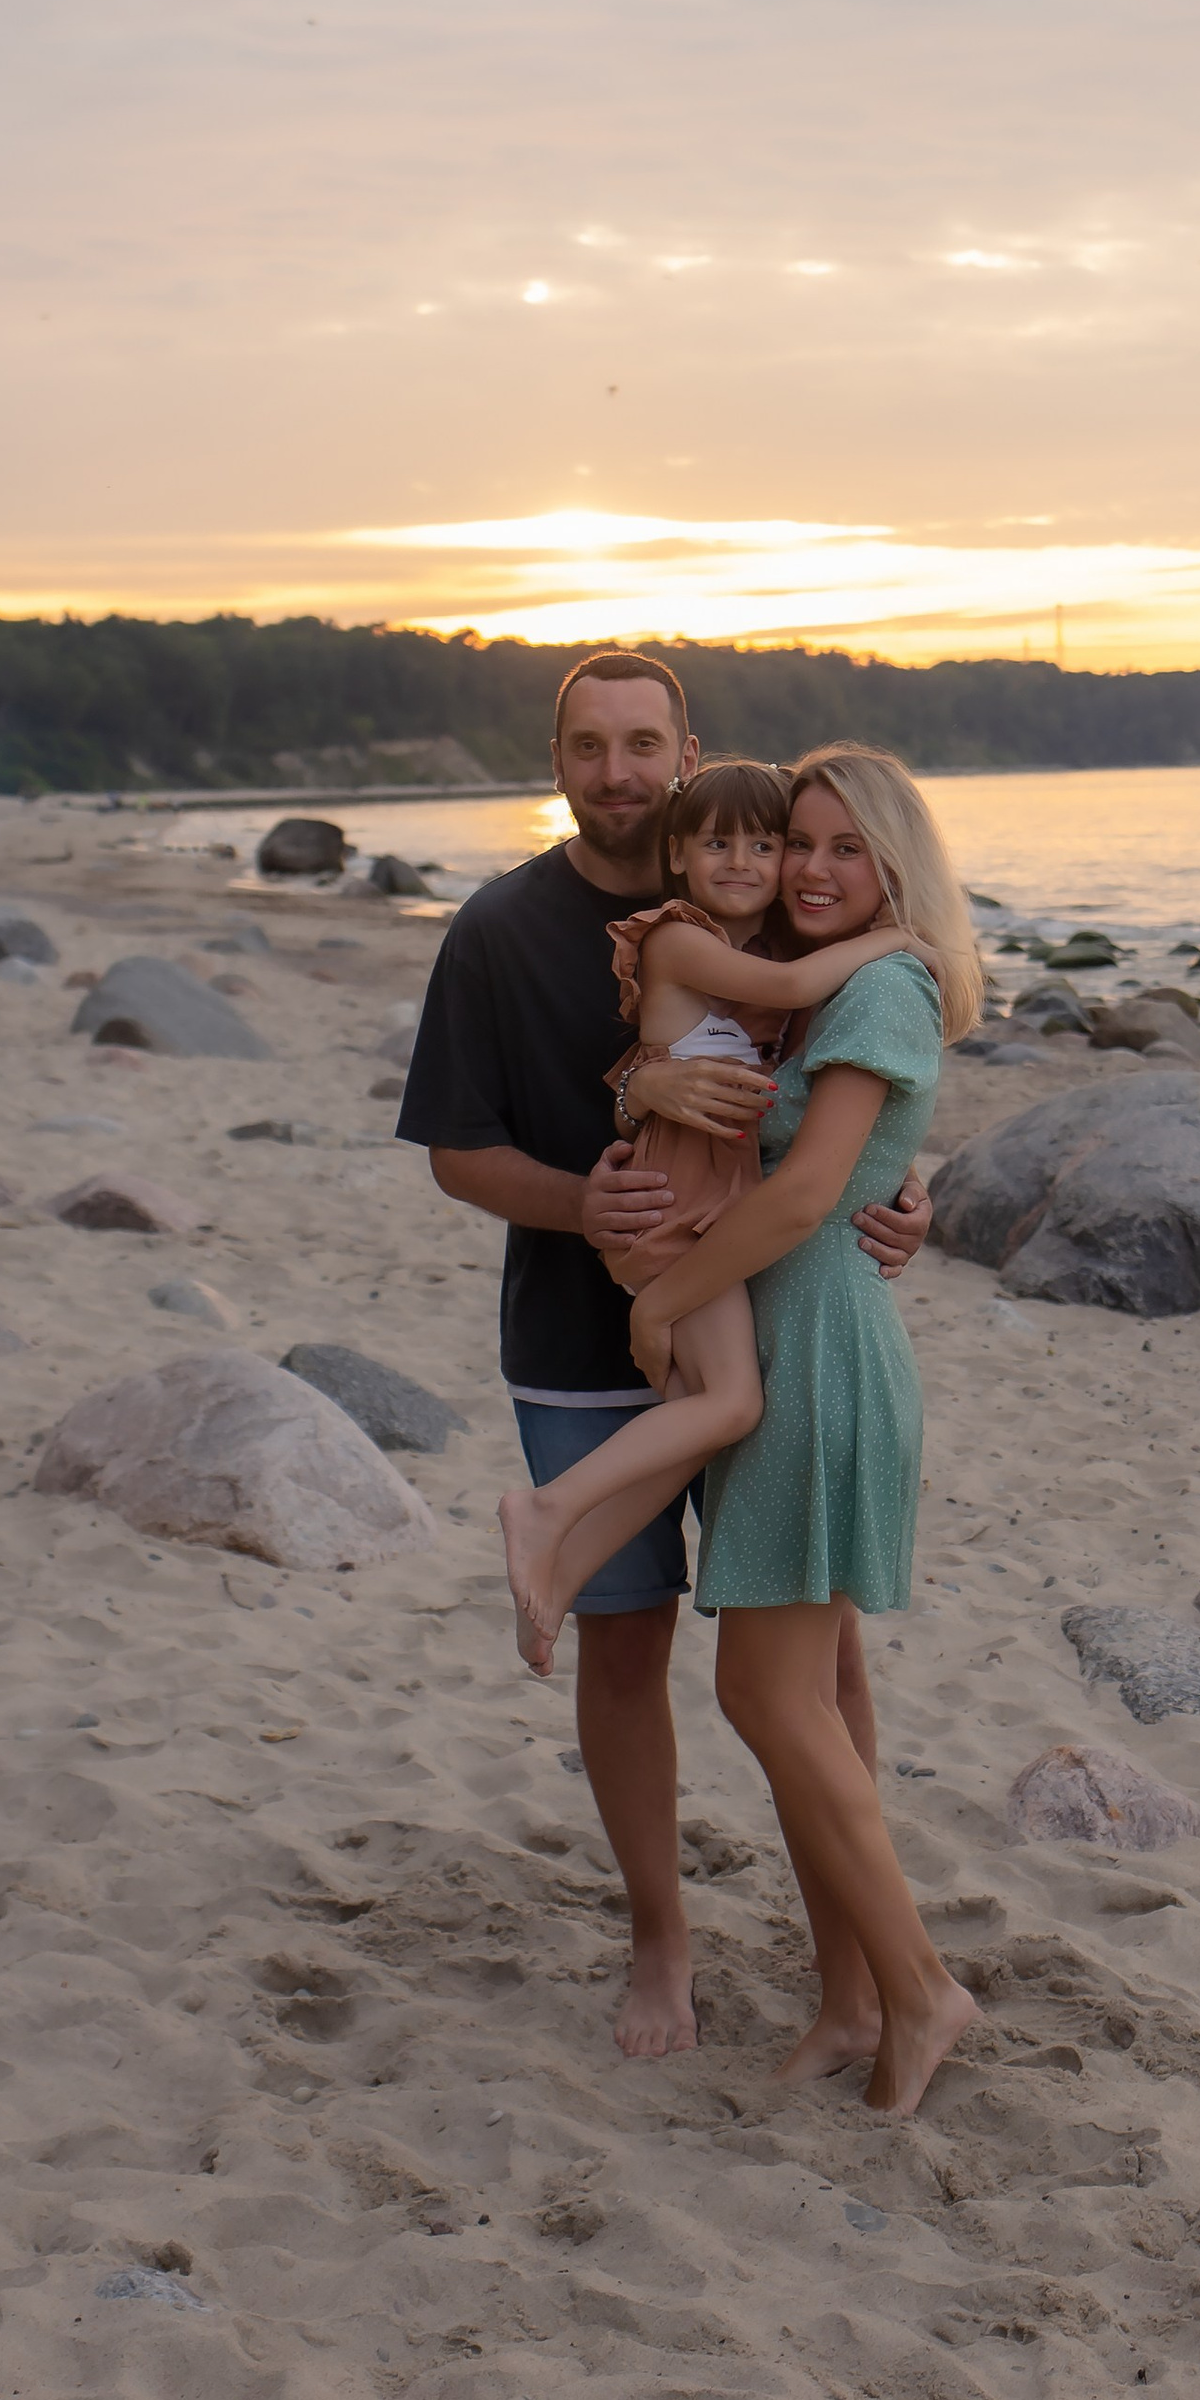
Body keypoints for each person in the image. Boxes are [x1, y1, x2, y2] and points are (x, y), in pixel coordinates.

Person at [396, 654, 931, 2059]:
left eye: (645, 744)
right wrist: (594, 1190)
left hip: (765, 1309)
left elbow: (839, 1110)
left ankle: (853, 1976)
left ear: (687, 752)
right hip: (586, 1334)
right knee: (624, 1650)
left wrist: (907, 1193)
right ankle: (660, 1944)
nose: (619, 770)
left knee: (824, 1669)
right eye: (590, 745)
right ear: (556, 758)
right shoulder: (500, 931)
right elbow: (456, 1152)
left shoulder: (768, 895)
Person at [624, 744, 983, 2120]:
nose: (817, 871)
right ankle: (850, 1999)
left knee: (767, 1696)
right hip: (793, 1334)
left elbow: (802, 1196)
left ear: (897, 870)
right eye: (803, 845)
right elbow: (720, 1108)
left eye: (849, 850)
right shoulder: (804, 987)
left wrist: (662, 1303)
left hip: (817, 1347)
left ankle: (920, 1988)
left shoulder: (881, 986)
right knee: (813, 1698)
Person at [498, 756, 929, 1671]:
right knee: (731, 1403)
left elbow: (812, 1091)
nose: (750, 860)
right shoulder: (679, 936)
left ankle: (561, 1566)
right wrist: (901, 941)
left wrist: (900, 1169)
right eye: (720, 842)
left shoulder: (761, 948)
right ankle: (547, 1510)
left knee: (698, 1417)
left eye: (765, 844)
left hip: (707, 1196)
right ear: (680, 855)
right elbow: (790, 998)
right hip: (681, 1203)